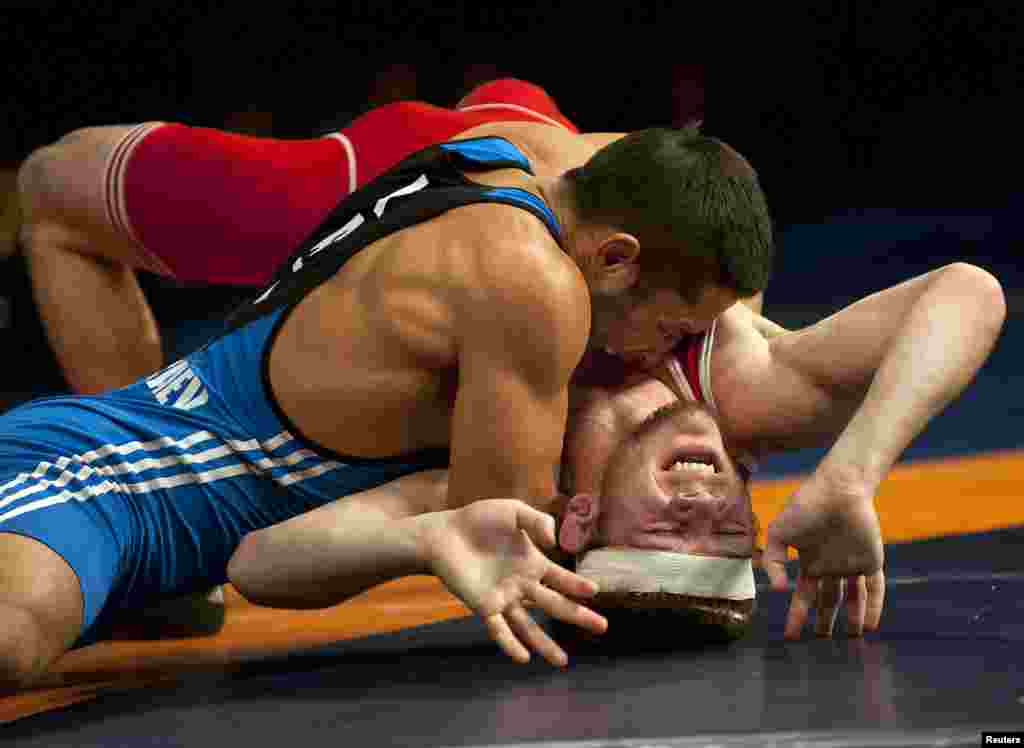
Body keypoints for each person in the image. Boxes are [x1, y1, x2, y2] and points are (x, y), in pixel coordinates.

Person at [0, 123, 774, 688]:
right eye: (673, 332)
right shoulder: (534, 285)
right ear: (614, 258)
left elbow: (682, 176)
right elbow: (511, 523)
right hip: (110, 481)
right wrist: (679, 550)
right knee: (13, 637)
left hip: (167, 521)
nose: (660, 360)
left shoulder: (521, 155)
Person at [19, 78, 730, 395]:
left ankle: (146, 491)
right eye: (673, 332)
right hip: (437, 159)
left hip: (501, 141)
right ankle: (140, 454)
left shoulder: (708, 269)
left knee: (48, 187)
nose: (666, 350)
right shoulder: (716, 285)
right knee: (52, 182)